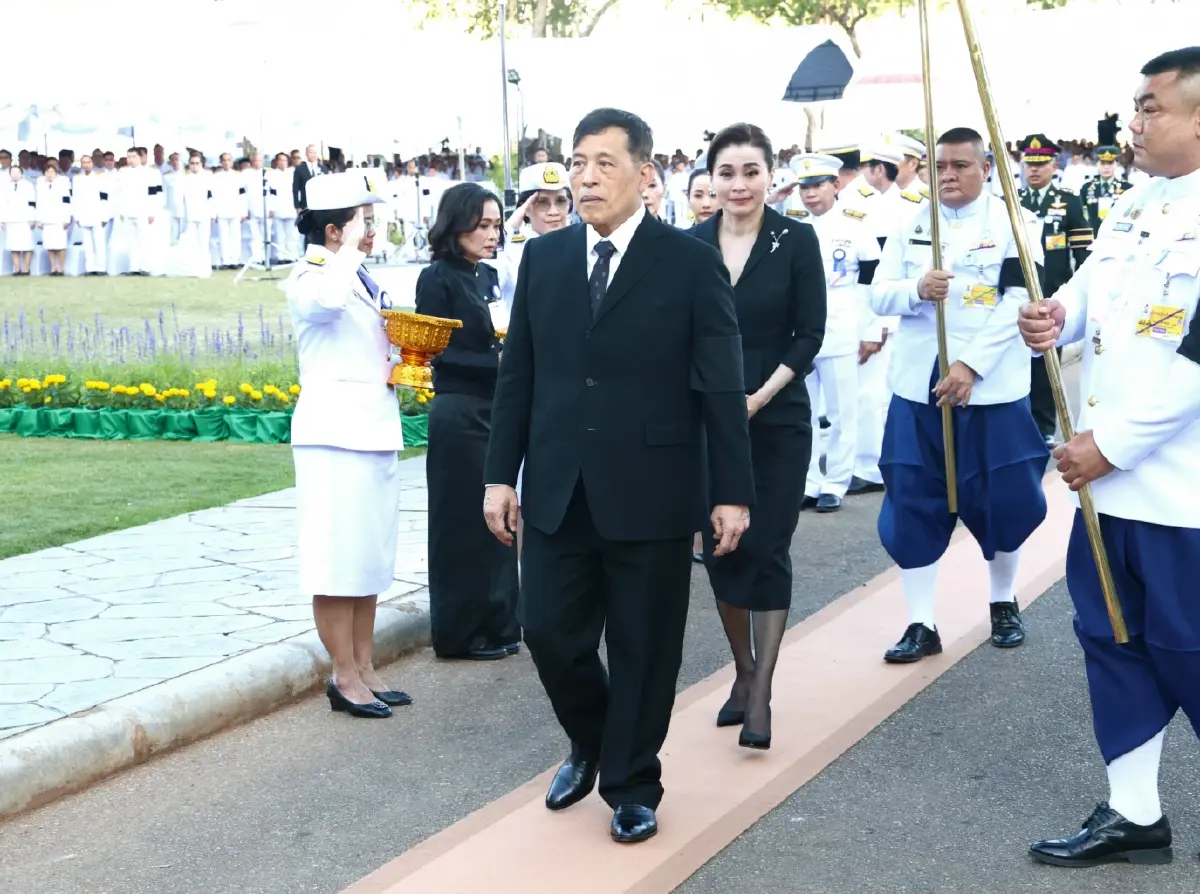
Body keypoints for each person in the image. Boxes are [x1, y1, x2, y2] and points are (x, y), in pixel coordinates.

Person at [483, 108, 753, 844]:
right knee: (549, 633)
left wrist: (731, 491)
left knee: (644, 647)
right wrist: (498, 475)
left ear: (644, 173)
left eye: (604, 162)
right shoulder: (544, 259)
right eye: (577, 163)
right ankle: (594, 741)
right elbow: (520, 377)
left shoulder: (691, 261)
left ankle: (633, 782)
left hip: (655, 490)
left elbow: (720, 386)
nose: (586, 177)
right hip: (558, 489)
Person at [1019, 46, 1200, 869]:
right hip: (1109, 490)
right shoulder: (1136, 202)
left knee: (1190, 650)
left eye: (1152, 106)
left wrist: (1113, 446)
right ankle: (1135, 814)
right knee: (1112, 642)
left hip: (1180, 494)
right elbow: (1094, 288)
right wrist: (1058, 316)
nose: (1135, 120)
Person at [870, 126, 1050, 664]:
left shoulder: (1017, 223)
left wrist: (971, 365)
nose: (947, 176)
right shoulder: (909, 223)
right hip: (917, 389)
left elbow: (1021, 300)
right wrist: (915, 289)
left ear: (986, 167)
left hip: (991, 388)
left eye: (960, 166)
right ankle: (921, 622)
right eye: (939, 167)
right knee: (912, 499)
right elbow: (879, 293)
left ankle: (1002, 602)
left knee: (1005, 497)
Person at [691, 125, 826, 748]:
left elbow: (808, 333)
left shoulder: (795, 240)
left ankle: (762, 688)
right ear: (710, 179)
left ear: (772, 175)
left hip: (777, 419)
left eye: (751, 171)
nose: (739, 184)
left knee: (768, 545)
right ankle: (741, 671)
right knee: (723, 547)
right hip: (706, 425)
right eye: (727, 172)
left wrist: (759, 396)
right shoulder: (687, 246)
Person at [286, 172, 411, 720]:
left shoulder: (358, 275)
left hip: (373, 428)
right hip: (333, 437)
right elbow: (328, 305)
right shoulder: (311, 276)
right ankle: (343, 674)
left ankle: (364, 665)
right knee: (337, 561)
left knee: (367, 558)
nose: (372, 230)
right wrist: (344, 250)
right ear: (334, 230)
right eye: (363, 219)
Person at [418, 182, 519, 662]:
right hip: (458, 409)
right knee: (461, 523)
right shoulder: (437, 278)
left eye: (497, 225)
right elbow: (442, 352)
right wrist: (503, 363)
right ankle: (460, 632)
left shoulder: (489, 276)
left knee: (499, 521)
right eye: (482, 225)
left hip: (493, 408)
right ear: (456, 226)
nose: (492, 234)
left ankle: (501, 622)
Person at [789, 153, 882, 513]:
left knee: (844, 411)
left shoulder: (855, 224)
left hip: (843, 325)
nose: (810, 195)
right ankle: (809, 481)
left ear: (836, 185)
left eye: (817, 186)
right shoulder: (792, 226)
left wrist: (871, 328)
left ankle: (836, 482)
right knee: (804, 414)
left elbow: (871, 279)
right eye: (804, 187)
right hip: (800, 331)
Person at [1017, 134, 1093, 446]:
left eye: (1041, 164)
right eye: (1029, 165)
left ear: (1053, 164)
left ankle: (1045, 425)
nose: (1034, 171)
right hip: (1018, 295)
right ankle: (1021, 422)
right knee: (1017, 364)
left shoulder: (1068, 201)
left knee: (1047, 366)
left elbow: (1084, 256)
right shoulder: (1014, 201)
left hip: (1054, 296)